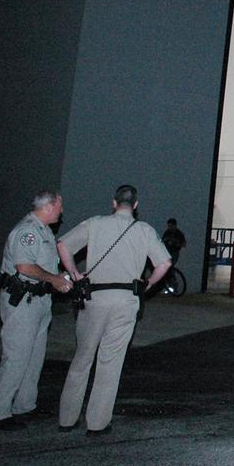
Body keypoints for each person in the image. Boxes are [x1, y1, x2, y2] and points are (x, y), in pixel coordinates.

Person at [55, 184, 171, 435]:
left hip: (94, 298)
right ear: (136, 205)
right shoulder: (143, 230)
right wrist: (148, 285)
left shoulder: (95, 223)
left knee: (82, 358)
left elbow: (63, 244)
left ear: (114, 203)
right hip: (126, 300)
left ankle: (67, 419)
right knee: (110, 362)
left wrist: (75, 273)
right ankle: (97, 423)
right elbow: (165, 262)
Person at [0, 190, 73, 430]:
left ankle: (24, 405)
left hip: (40, 301)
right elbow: (24, 266)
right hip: (23, 301)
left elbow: (44, 266)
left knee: (34, 357)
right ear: (49, 206)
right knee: (16, 356)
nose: (62, 211)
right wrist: (54, 279)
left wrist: (59, 278)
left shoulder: (44, 230)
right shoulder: (28, 231)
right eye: (59, 207)